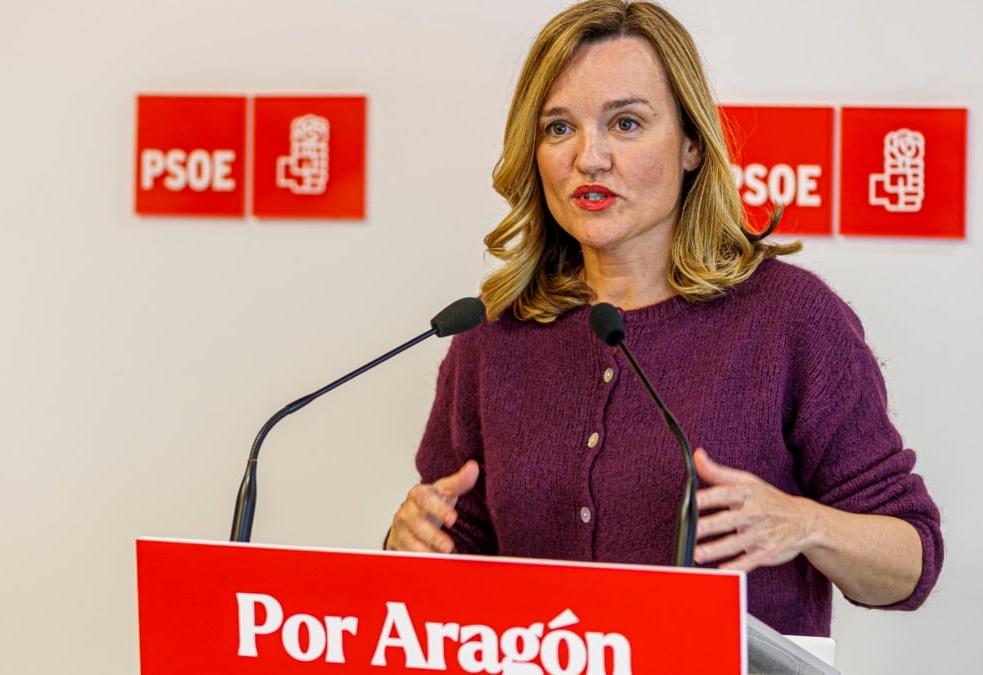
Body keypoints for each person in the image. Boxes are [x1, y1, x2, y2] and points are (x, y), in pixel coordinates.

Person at [386, 0, 943, 637]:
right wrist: (411, 544)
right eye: (559, 128)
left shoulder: (789, 319)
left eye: (625, 123)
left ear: (692, 147)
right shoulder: (493, 335)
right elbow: (457, 563)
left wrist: (805, 524)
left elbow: (911, 562)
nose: (588, 159)